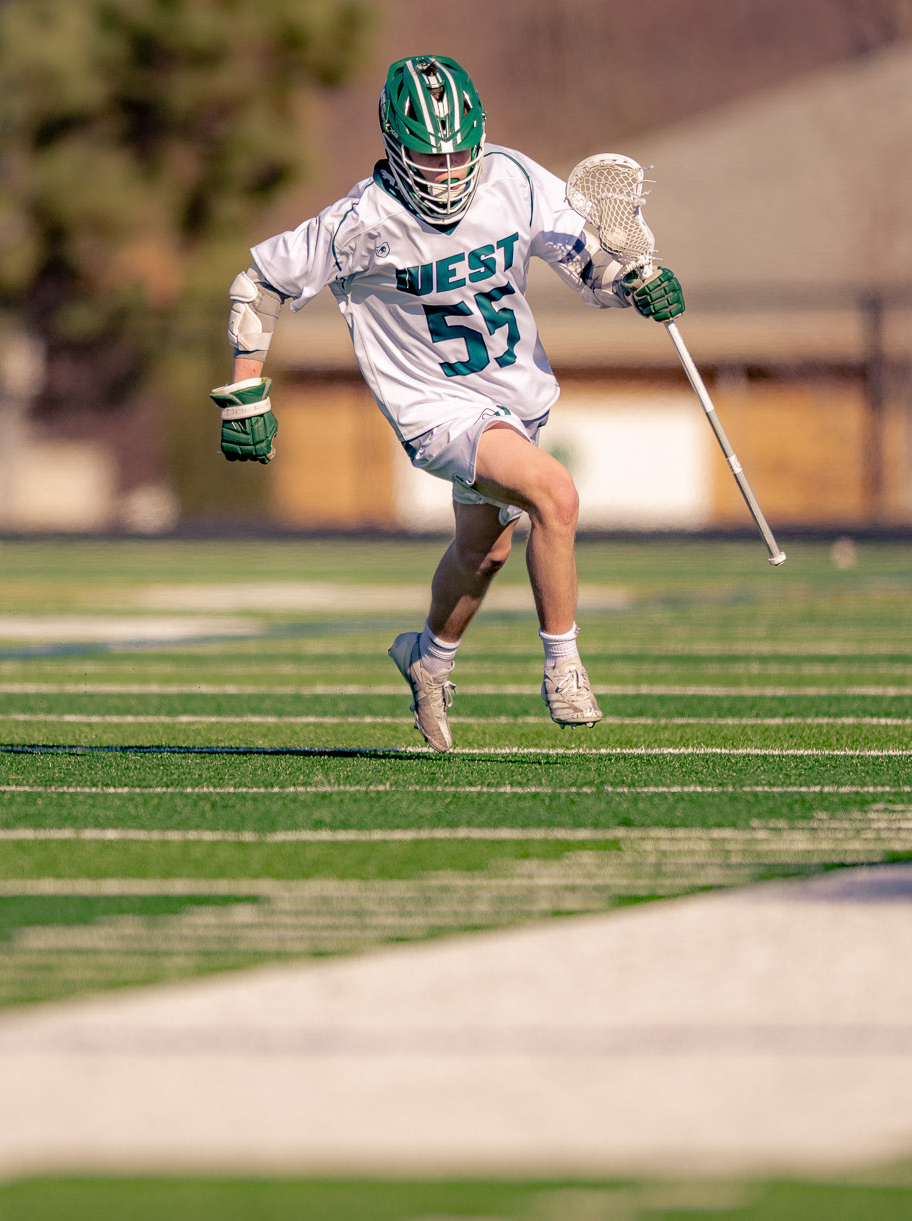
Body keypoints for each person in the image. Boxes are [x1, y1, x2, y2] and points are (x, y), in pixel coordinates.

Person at [211, 55, 686, 751]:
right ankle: (565, 666)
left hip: (512, 394)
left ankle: (428, 660)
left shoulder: (513, 179)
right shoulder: (362, 221)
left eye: (460, 153)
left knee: (485, 549)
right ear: (395, 151)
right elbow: (258, 287)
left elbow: (589, 262)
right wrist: (245, 391)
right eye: (430, 159)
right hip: (432, 406)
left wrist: (634, 286)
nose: (448, 171)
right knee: (554, 495)